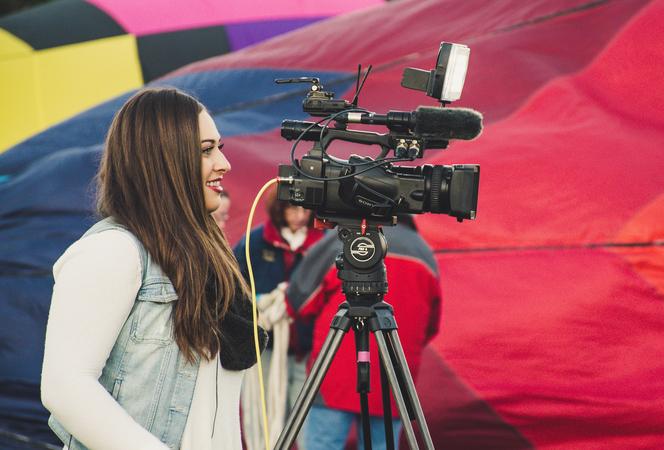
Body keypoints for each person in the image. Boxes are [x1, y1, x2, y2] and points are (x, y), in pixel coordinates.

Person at [40, 87, 265, 450]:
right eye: (206, 150)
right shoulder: (112, 251)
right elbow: (65, 387)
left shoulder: (206, 256)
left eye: (219, 148)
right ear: (163, 159)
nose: (224, 163)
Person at [285, 216, 442, 450]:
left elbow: (299, 301)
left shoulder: (345, 241)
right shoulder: (424, 253)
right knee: (381, 444)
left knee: (323, 444)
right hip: (392, 382)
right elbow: (431, 327)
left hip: (333, 376)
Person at [232, 198, 323, 448]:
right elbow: (234, 282)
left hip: (306, 349)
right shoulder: (257, 240)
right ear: (280, 209)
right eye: (293, 208)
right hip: (267, 346)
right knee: (266, 411)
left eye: (305, 208)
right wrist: (262, 303)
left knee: (307, 412)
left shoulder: (321, 243)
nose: (300, 215)